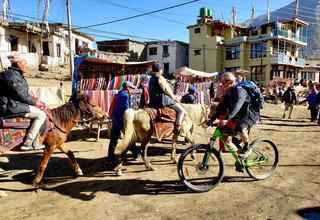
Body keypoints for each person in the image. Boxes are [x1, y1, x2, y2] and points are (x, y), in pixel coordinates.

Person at [207, 72, 259, 158]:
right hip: (238, 117)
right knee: (234, 140)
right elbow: (222, 107)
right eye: (221, 82)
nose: (222, 84)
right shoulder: (228, 93)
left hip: (249, 116)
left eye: (224, 82)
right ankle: (241, 161)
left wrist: (226, 119)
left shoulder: (240, 91)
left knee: (239, 128)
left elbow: (237, 106)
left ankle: (247, 149)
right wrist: (212, 119)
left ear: (231, 82)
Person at [0, 54, 46, 150]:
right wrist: (35, 102)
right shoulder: (12, 76)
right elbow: (20, 94)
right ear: (19, 64)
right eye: (25, 63)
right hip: (11, 106)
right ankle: (29, 141)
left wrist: (31, 95)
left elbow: (19, 91)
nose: (27, 65)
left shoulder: (13, 74)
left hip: (12, 103)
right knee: (41, 115)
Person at [107, 81, 140, 163]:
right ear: (127, 88)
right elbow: (126, 108)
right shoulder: (125, 96)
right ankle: (136, 154)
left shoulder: (118, 94)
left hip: (115, 118)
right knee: (130, 136)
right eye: (131, 88)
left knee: (113, 139)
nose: (132, 90)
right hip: (121, 119)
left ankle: (110, 159)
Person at [148, 62, 186, 134]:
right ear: (160, 70)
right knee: (181, 110)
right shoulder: (160, 78)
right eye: (162, 69)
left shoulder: (151, 78)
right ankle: (177, 129)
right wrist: (174, 98)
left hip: (153, 101)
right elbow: (166, 89)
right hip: (162, 101)